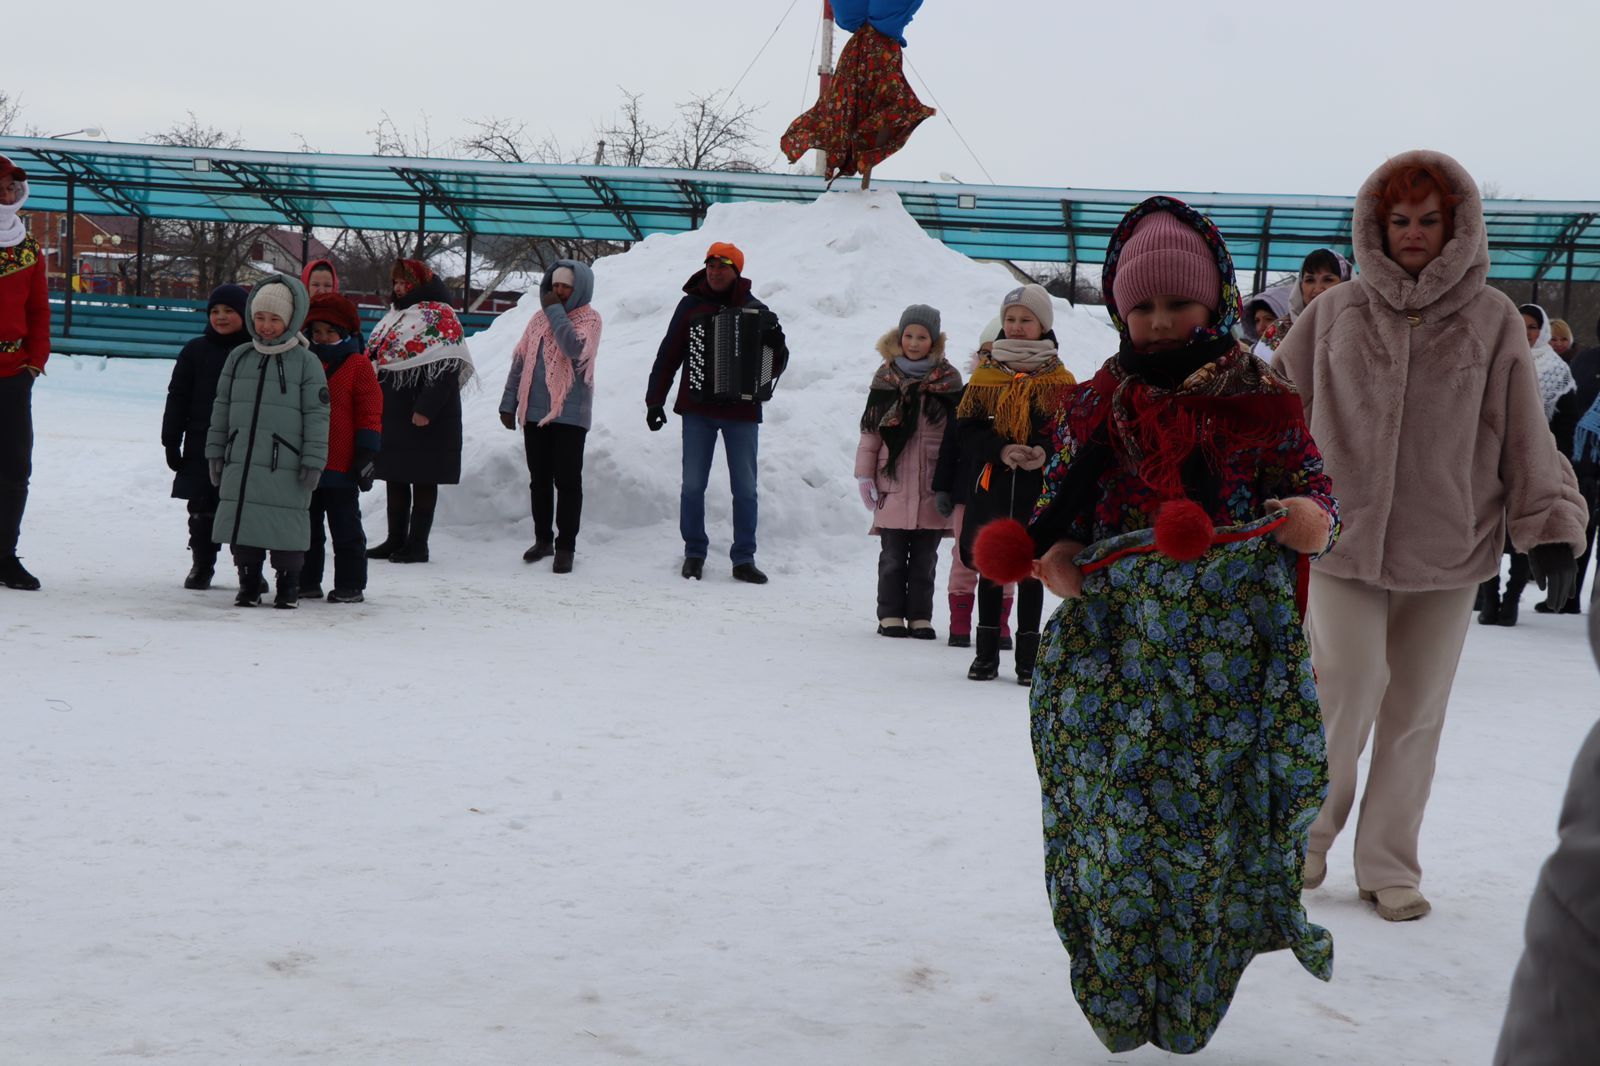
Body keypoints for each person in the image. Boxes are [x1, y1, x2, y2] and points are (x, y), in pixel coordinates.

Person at [1022, 196, 1338, 1053]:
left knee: (1208, 842)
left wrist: (1311, 520)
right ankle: (1118, 992)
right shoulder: (1096, 404)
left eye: (1178, 303)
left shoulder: (1264, 396)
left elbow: (1318, 493)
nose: (1160, 323)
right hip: (1114, 663)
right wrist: (1058, 558)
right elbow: (1057, 512)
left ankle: (1195, 993)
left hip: (1229, 673)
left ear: (1218, 300)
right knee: (1114, 836)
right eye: (1142, 307)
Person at [1275, 150, 1587, 921]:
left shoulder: (1490, 319)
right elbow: (1272, 408)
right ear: (1376, 227)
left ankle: (1388, 864)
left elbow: (1525, 430)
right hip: (1340, 541)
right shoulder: (1335, 312)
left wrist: (1545, 520)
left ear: (1458, 228)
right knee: (1343, 687)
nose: (1413, 234)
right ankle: (1301, 843)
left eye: (1428, 221)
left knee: (1415, 711)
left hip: (1449, 546)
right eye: (1399, 220)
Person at [950, 283, 1074, 682]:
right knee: (992, 567)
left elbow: (1067, 430)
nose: (1017, 326)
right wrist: (999, 450)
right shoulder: (985, 377)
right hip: (994, 487)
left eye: (1026, 320)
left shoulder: (1060, 378)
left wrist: (1043, 451)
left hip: (1038, 493)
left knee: (1032, 569)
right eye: (1010, 319)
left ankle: (1027, 658)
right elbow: (965, 430)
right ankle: (985, 654)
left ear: (1043, 325)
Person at [645, 242, 789, 583]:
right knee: (693, 485)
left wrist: (776, 345)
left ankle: (743, 558)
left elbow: (774, 364)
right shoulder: (691, 306)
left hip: (741, 413)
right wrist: (655, 400)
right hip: (697, 409)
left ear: (736, 271)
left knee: (746, 488)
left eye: (722, 266)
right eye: (710, 265)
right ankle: (694, 552)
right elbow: (668, 354)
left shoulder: (756, 309)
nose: (714, 271)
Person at [1493, 602, 1600, 1061]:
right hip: (1343, 557)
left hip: (1451, 559)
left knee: (1417, 719)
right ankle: (1315, 837)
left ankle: (1390, 865)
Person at [205, 276, 329, 609]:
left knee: (286, 528)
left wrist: (313, 460)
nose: (266, 326)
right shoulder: (241, 356)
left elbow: (318, 416)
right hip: (242, 458)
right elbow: (222, 407)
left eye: (275, 319)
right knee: (244, 526)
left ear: (290, 319)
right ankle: (248, 584)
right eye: (260, 318)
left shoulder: (306, 362)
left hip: (285, 464)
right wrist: (216, 451)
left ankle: (288, 587)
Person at [855, 304, 962, 638]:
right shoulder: (886, 378)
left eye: (922, 337)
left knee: (925, 559)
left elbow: (957, 437)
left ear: (935, 341)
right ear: (899, 338)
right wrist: (864, 474)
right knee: (892, 557)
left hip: (931, 486)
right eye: (909, 336)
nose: (914, 343)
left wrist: (952, 481)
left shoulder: (949, 382)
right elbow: (872, 432)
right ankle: (889, 615)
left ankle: (920, 616)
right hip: (894, 483)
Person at [366, 259, 474, 564]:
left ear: (420, 284)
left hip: (427, 415)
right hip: (395, 410)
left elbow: (448, 364)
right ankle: (395, 539)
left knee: (424, 478)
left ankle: (418, 544)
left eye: (405, 283)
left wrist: (426, 408)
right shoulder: (396, 316)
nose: (399, 289)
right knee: (395, 476)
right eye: (396, 283)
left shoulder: (440, 316)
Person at [499, 260, 601, 574]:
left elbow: (573, 347)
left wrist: (555, 311)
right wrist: (509, 402)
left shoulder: (590, 319)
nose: (558, 292)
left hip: (570, 417)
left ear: (579, 287)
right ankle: (543, 539)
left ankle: (565, 547)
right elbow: (520, 361)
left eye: (565, 286)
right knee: (539, 481)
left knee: (568, 482)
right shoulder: (536, 320)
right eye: (555, 286)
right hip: (534, 412)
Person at [1486, 303, 1578, 622]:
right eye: (1520, 325)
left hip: (1536, 463)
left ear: (1544, 332)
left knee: (1525, 535)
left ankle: (1511, 600)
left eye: (1533, 327)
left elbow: (1565, 426)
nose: (1525, 333)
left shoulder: (1557, 372)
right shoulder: (1494, 361)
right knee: (1490, 532)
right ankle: (1488, 598)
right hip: (1491, 465)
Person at [934, 316, 1015, 649]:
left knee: (1006, 557)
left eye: (995, 353)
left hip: (1008, 494)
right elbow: (950, 444)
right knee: (963, 556)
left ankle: (1000, 624)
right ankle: (959, 622)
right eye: (984, 354)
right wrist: (942, 487)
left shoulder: (1020, 396)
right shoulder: (968, 394)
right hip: (967, 493)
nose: (988, 360)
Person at [162, 283, 250, 590]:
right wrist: (171, 441)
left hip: (245, 444)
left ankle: (248, 571)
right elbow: (177, 396)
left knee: (244, 510)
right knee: (201, 510)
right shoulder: (195, 350)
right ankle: (202, 564)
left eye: (229, 311)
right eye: (215, 311)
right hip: (201, 442)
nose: (221, 317)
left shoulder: (254, 350)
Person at [302, 293, 381, 603]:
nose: (322, 337)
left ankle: (351, 583)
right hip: (308, 462)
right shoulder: (305, 361)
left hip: (342, 462)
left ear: (345, 333)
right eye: (317, 331)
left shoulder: (357, 365)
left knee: (346, 528)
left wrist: (366, 451)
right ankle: (307, 580)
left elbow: (370, 409)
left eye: (330, 331)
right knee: (307, 528)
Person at [0, 153, 48, 591]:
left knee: (15, 468)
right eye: (1, 186)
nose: (8, 192)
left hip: (13, 373)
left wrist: (34, 363)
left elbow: (38, 311)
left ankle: (4, 556)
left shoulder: (28, 247)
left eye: (13, 187)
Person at [1256, 248, 1351, 357]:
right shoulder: (1279, 331)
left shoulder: (1362, 327)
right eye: (1310, 280)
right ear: (1300, 286)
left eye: (1328, 280)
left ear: (1346, 283)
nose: (1317, 289)